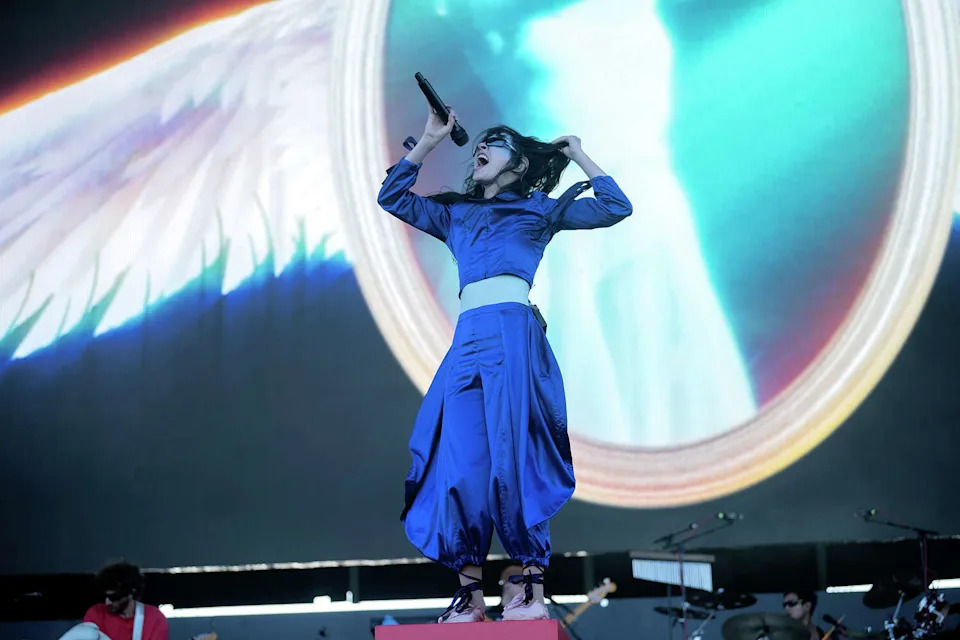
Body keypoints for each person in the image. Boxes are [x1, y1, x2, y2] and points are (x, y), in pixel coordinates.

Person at [377, 99, 632, 623]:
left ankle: (531, 590)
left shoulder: (539, 210)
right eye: (480, 144)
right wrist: (429, 139)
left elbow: (615, 206)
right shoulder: (456, 213)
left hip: (513, 334)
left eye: (496, 145)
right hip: (467, 340)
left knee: (514, 457)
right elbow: (392, 197)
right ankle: (469, 597)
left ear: (519, 164)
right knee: (460, 464)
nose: (482, 149)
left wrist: (578, 155)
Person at [81, 562, 169, 640]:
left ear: (131, 592)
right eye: (105, 596)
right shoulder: (96, 614)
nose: (107, 602)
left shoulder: (154, 618)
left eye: (113, 597)